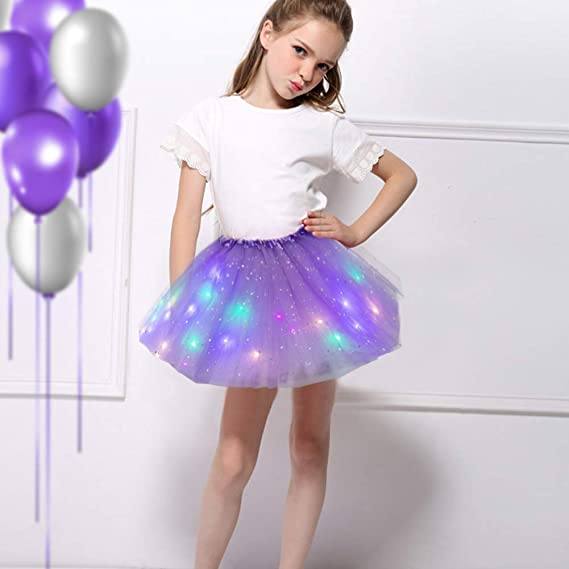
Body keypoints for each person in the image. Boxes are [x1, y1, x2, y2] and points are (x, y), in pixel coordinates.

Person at [139, 1, 417, 567]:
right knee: (233, 457)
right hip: (246, 294)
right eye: (300, 51)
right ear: (268, 34)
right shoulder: (210, 120)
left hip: (315, 290)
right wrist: (182, 301)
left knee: (309, 446)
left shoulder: (321, 126)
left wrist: (354, 231)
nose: (307, 72)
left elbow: (401, 176)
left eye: (323, 65)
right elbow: (185, 217)